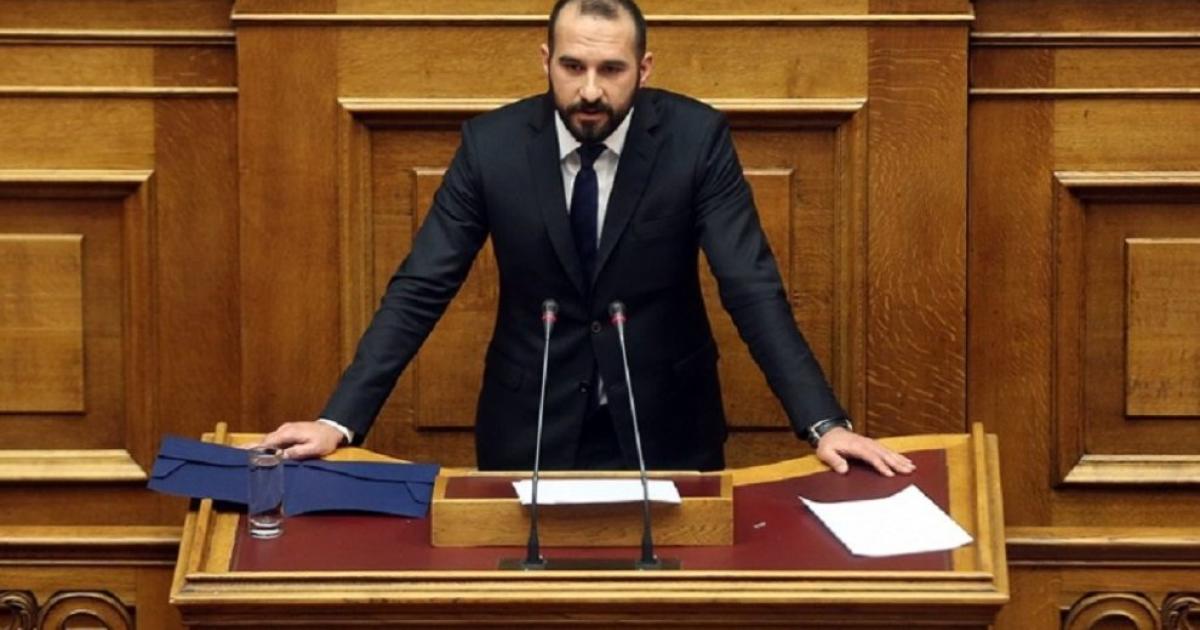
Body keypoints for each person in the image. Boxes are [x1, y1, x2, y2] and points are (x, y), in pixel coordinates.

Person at [259, 0, 915, 477]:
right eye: (572, 66)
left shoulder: (695, 141)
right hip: (529, 426)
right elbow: (421, 286)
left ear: (644, 68)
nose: (591, 90)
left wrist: (823, 423)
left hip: (668, 426)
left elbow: (751, 286)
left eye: (612, 69)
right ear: (545, 60)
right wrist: (338, 421)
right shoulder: (491, 147)